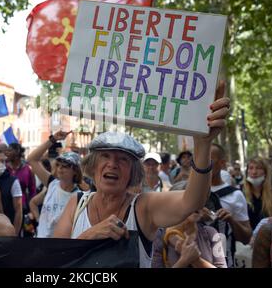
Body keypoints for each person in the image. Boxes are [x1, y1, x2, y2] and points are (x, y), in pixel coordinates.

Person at [53, 83, 230, 268]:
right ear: (93, 165)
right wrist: (89, 236)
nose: (112, 164)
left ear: (133, 172)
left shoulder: (143, 207)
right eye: (105, 156)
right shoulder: (77, 203)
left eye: (122, 160)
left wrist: (203, 144)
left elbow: (192, 202)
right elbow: (55, 262)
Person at [152, 181, 227, 268]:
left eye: (200, 201)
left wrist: (197, 261)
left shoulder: (212, 233)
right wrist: (183, 261)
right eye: (190, 201)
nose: (196, 205)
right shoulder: (158, 236)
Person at [201, 143, 252, 267]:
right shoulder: (188, 191)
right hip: (192, 259)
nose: (203, 164)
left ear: (222, 163)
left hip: (224, 260)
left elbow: (246, 238)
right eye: (199, 160)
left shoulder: (235, 195)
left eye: (209, 160)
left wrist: (231, 220)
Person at [27, 131, 84, 238]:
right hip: (41, 243)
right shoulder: (52, 183)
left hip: (60, 248)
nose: (60, 169)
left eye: (66, 166)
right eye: (58, 165)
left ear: (75, 171)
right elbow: (32, 159)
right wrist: (52, 140)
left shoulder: (80, 196)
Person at [0, 148, 23, 236]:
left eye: (2, 161)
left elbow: (18, 210)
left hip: (5, 231)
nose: (0, 164)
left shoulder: (13, 181)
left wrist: (14, 234)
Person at [242, 157, 272, 230]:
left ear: (265, 172)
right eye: (251, 168)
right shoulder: (240, 192)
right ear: (247, 172)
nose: (254, 172)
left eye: (259, 168)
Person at [5, 143, 36, 216]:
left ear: (17, 152)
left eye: (9, 151)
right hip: (5, 205)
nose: (6, 153)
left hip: (22, 206)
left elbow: (32, 189)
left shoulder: (27, 169)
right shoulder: (4, 167)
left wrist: (32, 208)